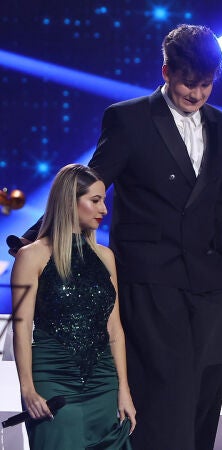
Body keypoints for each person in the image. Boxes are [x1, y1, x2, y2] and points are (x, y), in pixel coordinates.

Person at [17, 24, 222, 449]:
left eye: (206, 84)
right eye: (188, 82)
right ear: (166, 71)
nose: (197, 93)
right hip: (150, 276)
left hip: (209, 280)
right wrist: (38, 240)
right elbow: (90, 182)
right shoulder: (129, 118)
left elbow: (221, 201)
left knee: (204, 388)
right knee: (165, 393)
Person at [11, 164, 136, 449]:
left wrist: (124, 390)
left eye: (104, 200)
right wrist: (27, 388)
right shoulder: (31, 256)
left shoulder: (105, 257)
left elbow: (115, 330)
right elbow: (22, 328)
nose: (104, 209)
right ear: (69, 201)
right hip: (52, 380)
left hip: (103, 383)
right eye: (95, 200)